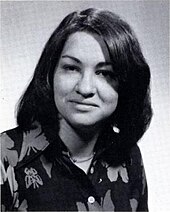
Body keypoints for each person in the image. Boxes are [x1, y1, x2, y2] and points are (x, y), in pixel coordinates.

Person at [1, 8, 152, 211]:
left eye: (105, 73)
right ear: (50, 74)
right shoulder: (6, 157)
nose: (85, 88)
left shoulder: (129, 157)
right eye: (71, 68)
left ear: (126, 84)